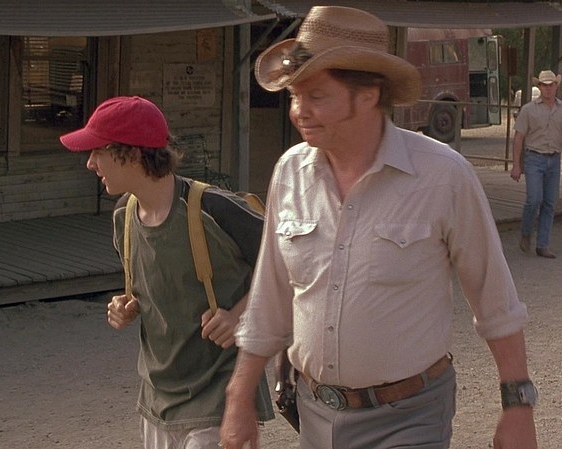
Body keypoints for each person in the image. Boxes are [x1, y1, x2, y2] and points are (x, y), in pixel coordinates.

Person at [220, 6, 537, 449]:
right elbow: (269, 297)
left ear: (368, 95)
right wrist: (238, 396)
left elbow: (494, 298)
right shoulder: (289, 173)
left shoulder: (443, 176)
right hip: (314, 416)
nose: (298, 112)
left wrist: (518, 407)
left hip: (410, 419)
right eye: (294, 96)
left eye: (316, 96)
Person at [59, 96, 273, 449]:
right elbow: (158, 286)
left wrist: (241, 314)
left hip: (220, 394)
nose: (90, 163)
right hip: (157, 400)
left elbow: (289, 261)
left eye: (98, 151)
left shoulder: (214, 209)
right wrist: (126, 305)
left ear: (132, 154)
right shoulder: (123, 217)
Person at [510, 70, 562, 259]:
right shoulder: (528, 110)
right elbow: (519, 137)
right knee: (534, 199)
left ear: (556, 86)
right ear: (539, 87)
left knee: (549, 202)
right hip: (534, 157)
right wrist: (516, 165)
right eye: (544, 85)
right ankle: (526, 231)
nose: (548, 88)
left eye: (551, 85)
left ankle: (543, 245)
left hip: (554, 158)